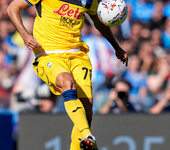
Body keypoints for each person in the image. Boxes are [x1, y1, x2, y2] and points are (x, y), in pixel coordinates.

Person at [7, 0, 128, 149]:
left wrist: (117, 47)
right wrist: (26, 36)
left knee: (87, 109)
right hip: (48, 54)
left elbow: (99, 23)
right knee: (66, 82)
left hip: (77, 55)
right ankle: (86, 135)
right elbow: (13, 8)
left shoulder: (90, 1)